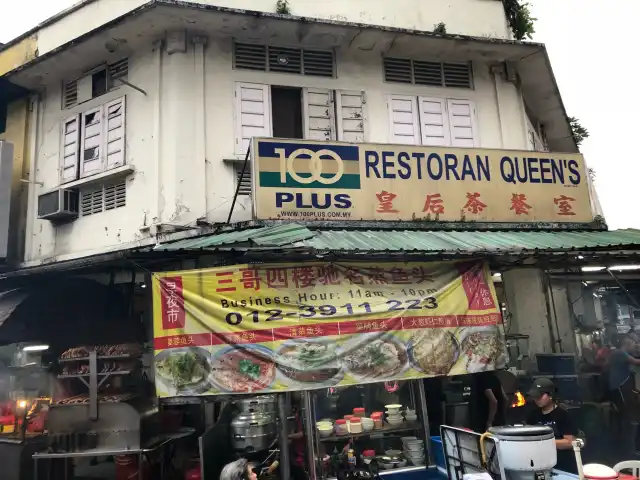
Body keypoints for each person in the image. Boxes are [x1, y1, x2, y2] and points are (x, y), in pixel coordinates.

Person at [526, 378, 578, 473]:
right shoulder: (533, 415)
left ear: (550, 395)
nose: (536, 399)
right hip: (540, 464)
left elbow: (570, 442)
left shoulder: (562, 415)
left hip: (562, 465)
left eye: (540, 396)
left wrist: (544, 443)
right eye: (535, 396)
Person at [289, 392, 309, 480]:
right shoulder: (299, 407)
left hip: (303, 454)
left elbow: (302, 434)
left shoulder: (306, 408)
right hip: (297, 452)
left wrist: (286, 436)